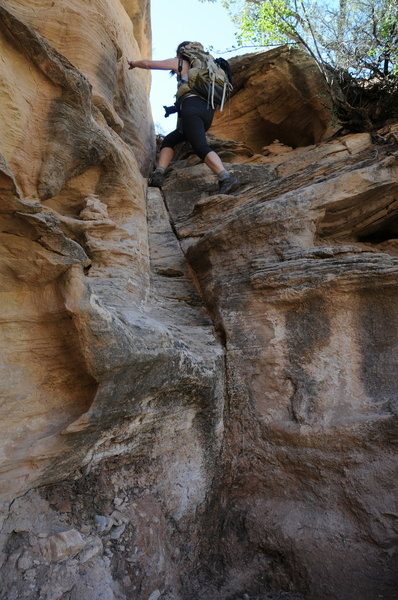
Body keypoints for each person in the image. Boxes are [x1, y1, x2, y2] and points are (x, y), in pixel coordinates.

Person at [127, 41, 239, 194]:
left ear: (181, 52)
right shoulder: (208, 69)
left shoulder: (181, 63)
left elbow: (148, 64)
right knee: (170, 140)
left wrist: (133, 63)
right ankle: (159, 174)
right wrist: (173, 109)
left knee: (200, 146)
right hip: (207, 113)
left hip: (191, 111)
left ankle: (225, 177)